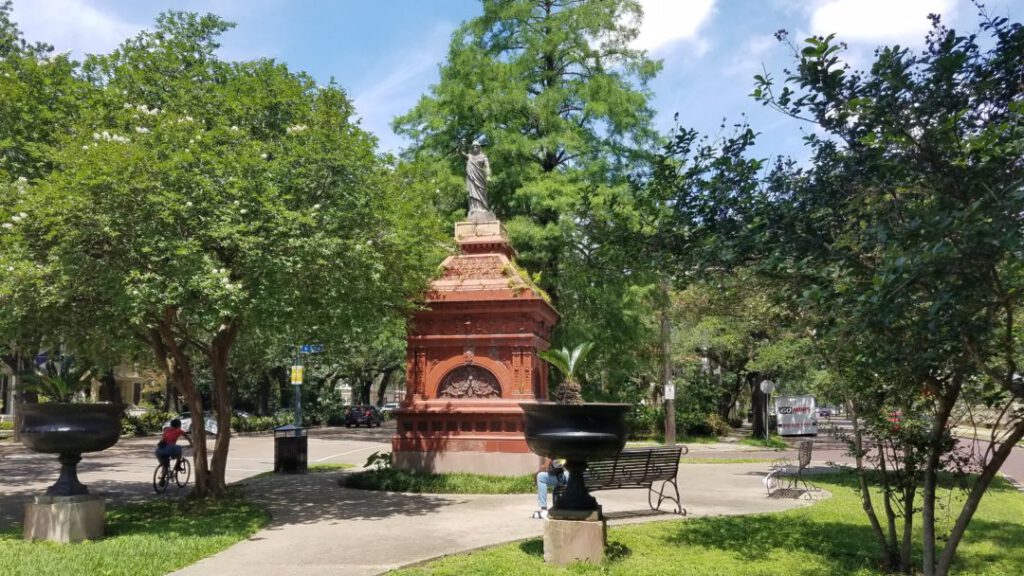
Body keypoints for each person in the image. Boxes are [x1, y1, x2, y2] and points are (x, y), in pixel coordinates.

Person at [463, 140, 492, 218]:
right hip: (471, 179)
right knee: (472, 193)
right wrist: (460, 145)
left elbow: (487, 166)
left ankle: (482, 208)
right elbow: (460, 153)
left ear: (479, 147)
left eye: (476, 146)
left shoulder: (483, 156)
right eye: (473, 146)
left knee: (481, 192)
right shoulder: (469, 156)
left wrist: (488, 175)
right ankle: (474, 208)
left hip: (480, 178)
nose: (475, 147)